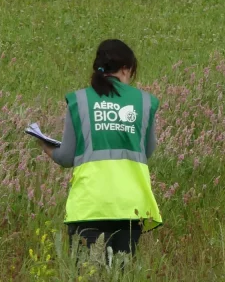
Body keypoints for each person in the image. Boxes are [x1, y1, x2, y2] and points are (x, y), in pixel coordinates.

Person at [38, 39, 162, 260]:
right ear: (126, 69)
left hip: (89, 207)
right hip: (129, 208)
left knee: (88, 273)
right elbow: (148, 151)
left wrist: (45, 146)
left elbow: (66, 157)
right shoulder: (144, 101)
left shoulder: (80, 100)